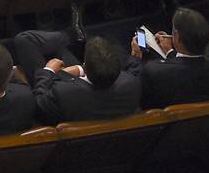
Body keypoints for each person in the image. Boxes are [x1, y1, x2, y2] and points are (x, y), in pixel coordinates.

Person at [13, 32, 141, 123]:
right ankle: (67, 35)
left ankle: (68, 34)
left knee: (24, 40)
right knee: (61, 50)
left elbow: (39, 103)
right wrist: (135, 57)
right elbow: (134, 70)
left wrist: (49, 71)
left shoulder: (63, 94)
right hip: (81, 90)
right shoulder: (131, 84)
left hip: (66, 102)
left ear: (85, 65)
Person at [130, 8, 209, 108]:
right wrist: (170, 52)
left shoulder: (153, 71)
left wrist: (135, 57)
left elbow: (137, 97)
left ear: (177, 37)